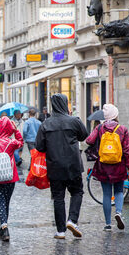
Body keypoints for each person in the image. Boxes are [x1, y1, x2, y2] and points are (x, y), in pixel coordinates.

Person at [35, 94, 88, 240]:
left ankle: (60, 231)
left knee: (58, 197)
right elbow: (84, 136)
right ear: (65, 104)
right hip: (73, 165)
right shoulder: (74, 121)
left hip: (55, 166)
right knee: (77, 192)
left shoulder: (46, 124)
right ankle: (72, 220)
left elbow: (39, 146)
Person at [85, 104, 129, 231]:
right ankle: (118, 212)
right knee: (118, 191)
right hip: (119, 165)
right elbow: (127, 150)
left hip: (103, 166)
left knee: (106, 194)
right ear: (115, 115)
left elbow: (89, 141)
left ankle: (107, 224)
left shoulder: (100, 128)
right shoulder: (122, 129)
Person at [0, 117, 24, 241]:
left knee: (0, 201)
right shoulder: (11, 143)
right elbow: (21, 142)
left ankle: (4, 228)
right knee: (6, 202)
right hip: (10, 177)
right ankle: (4, 227)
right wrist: (16, 130)